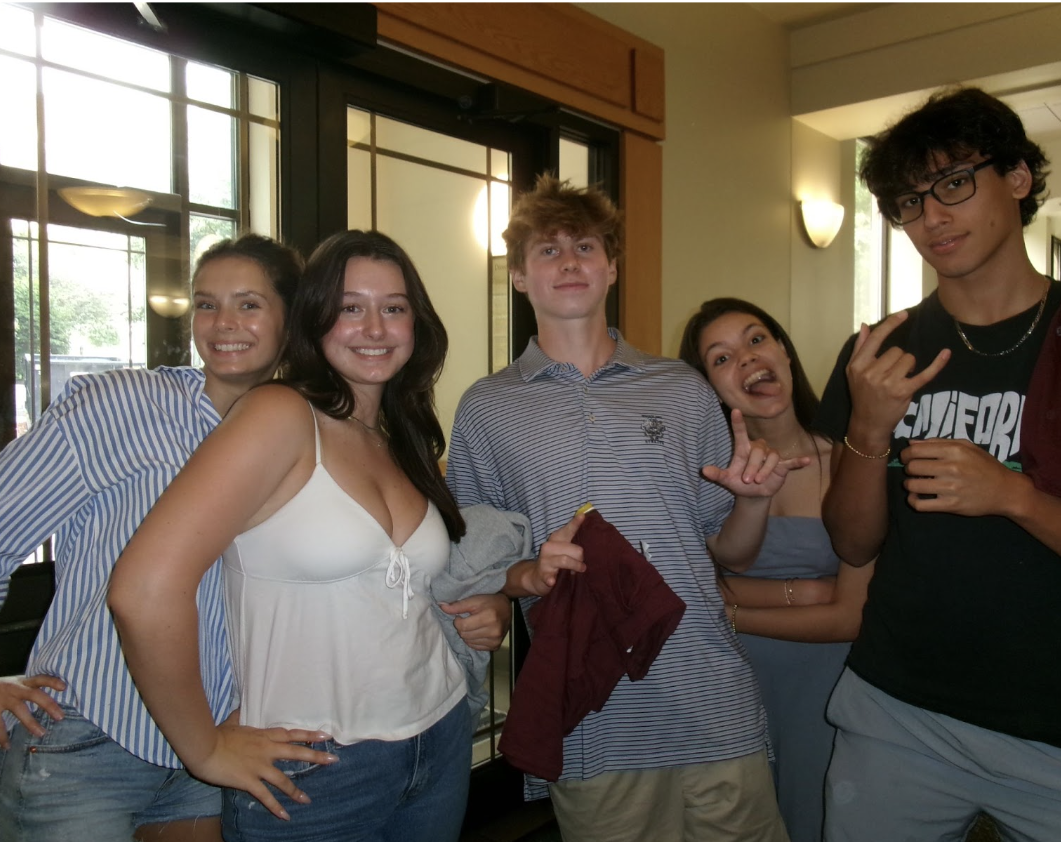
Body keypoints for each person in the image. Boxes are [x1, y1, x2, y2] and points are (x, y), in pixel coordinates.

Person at [109, 230, 508, 842]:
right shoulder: (279, 415)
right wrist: (206, 749)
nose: (374, 327)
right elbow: (142, 590)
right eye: (351, 307)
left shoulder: (402, 433)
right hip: (316, 767)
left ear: (416, 324)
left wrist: (490, 602)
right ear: (316, 318)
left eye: (394, 308)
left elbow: (397, 584)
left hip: (439, 735)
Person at [446, 174, 797, 842]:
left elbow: (727, 549)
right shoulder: (487, 408)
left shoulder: (680, 387)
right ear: (518, 276)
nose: (570, 262)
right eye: (547, 252)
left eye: (584, 246)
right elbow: (474, 561)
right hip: (593, 710)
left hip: (710, 692)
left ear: (610, 265)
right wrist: (524, 576)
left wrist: (752, 504)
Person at [816, 86, 1061, 841]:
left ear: (1016, 178)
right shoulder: (876, 354)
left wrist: (1016, 497)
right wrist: (869, 431)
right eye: (908, 201)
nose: (930, 217)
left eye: (952, 183)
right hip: (899, 710)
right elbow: (850, 544)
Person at [0, 234, 338, 842]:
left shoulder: (310, 432)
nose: (223, 324)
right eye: (206, 305)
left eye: (249, 304)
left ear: (293, 319)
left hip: (218, 738)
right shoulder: (122, 406)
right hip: (89, 736)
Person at [678, 298, 873, 842]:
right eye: (720, 358)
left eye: (757, 339)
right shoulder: (709, 476)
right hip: (727, 685)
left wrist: (733, 606)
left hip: (826, 688)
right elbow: (691, 589)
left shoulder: (853, 464)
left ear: (784, 352)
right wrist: (805, 592)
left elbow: (851, 616)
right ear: (709, 388)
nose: (745, 359)